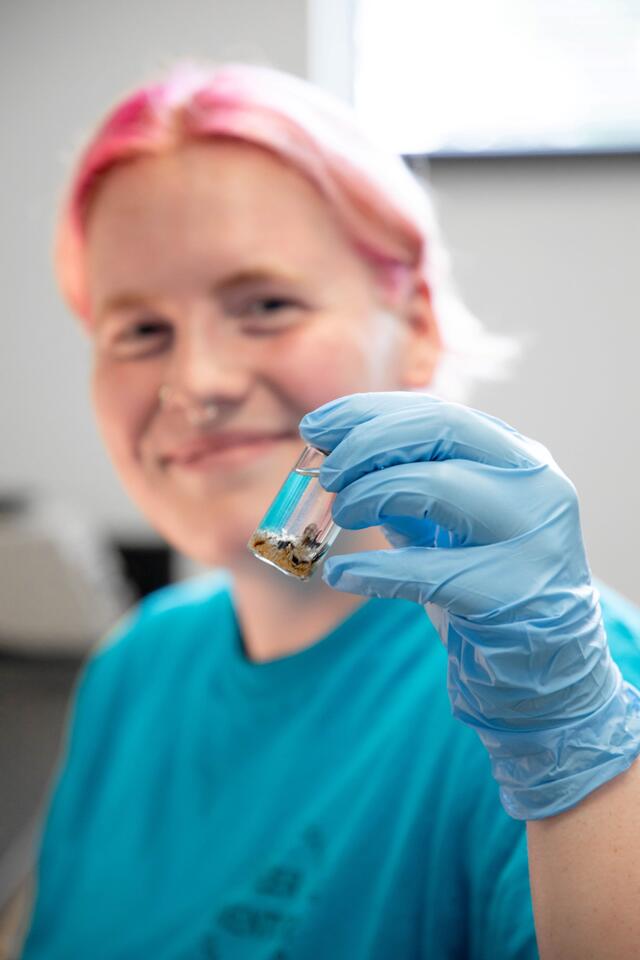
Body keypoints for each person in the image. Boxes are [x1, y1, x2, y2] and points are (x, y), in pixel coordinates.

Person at [18, 61, 640, 959]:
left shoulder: (560, 699)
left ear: (418, 325)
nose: (194, 385)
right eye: (140, 332)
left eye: (266, 305)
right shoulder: (136, 664)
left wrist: (579, 770)